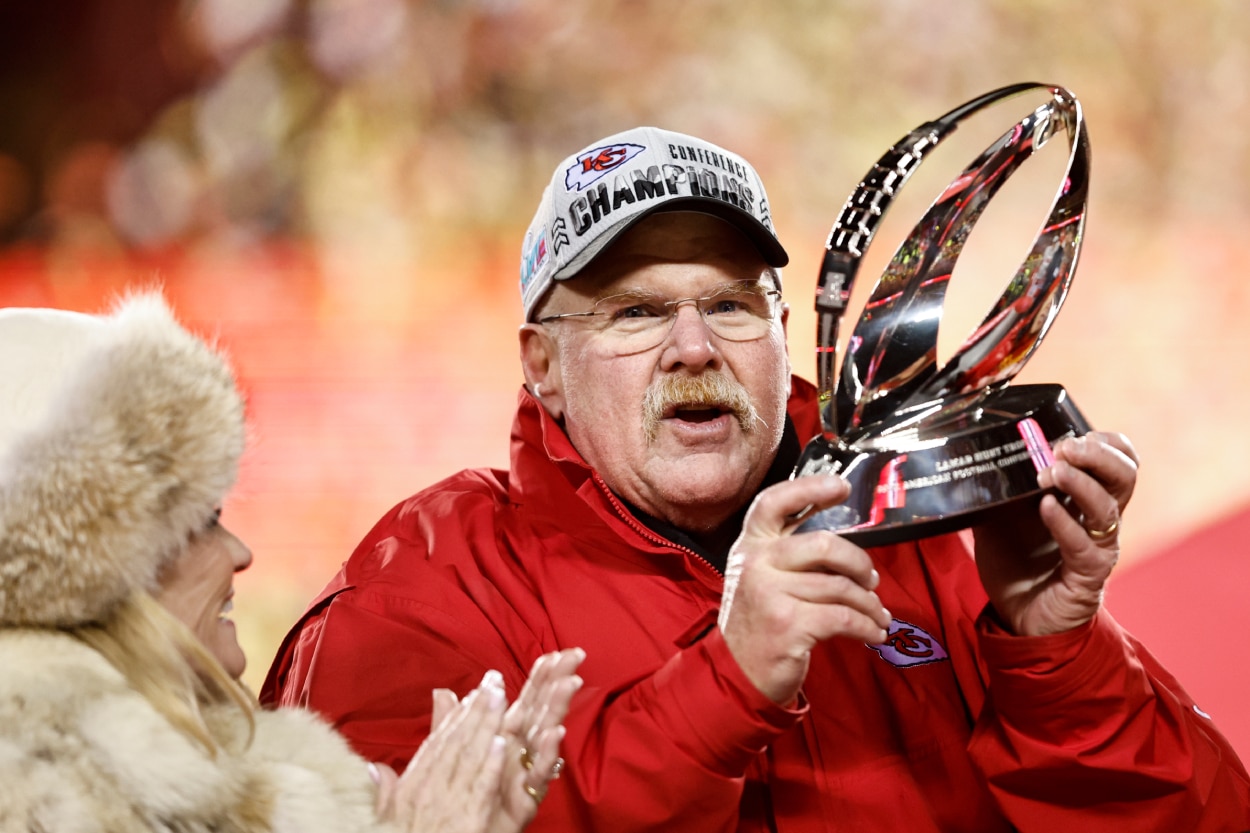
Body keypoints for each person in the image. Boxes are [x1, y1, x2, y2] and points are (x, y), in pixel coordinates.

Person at [261, 126, 1250, 831]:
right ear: (541, 363)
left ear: (783, 336)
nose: (693, 346)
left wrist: (1053, 654)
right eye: (634, 311)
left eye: (732, 303)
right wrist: (720, 685)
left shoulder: (931, 544)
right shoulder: (421, 582)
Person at [0, 291, 584, 832]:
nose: (240, 553)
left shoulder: (218, 782)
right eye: (199, 523)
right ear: (81, 567)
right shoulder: (50, 800)